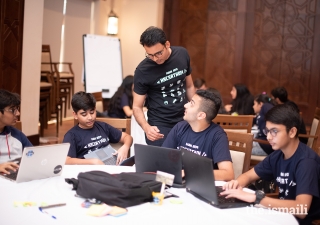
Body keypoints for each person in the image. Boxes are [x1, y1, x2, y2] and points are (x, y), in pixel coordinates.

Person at [221, 104, 320, 225]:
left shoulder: (306, 162)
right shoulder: (278, 155)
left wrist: (257, 198)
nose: (268, 137)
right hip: (282, 214)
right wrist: (236, 184)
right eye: (267, 131)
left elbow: (301, 209)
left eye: (274, 131)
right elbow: (248, 176)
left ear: (292, 132)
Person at [133, 26, 195, 146]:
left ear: (167, 44)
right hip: (159, 125)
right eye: (150, 55)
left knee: (188, 160)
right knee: (164, 163)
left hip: (184, 119)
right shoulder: (143, 70)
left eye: (159, 53)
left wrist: (195, 112)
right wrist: (146, 128)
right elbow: (136, 106)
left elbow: (189, 86)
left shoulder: (182, 54)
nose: (155, 59)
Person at [162, 90, 234, 181]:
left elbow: (228, 174)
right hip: (177, 181)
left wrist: (190, 172)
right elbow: (163, 158)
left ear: (201, 115)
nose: (185, 105)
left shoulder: (217, 135)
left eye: (191, 103)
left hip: (200, 184)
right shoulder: (180, 127)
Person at [63, 91, 133, 165]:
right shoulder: (71, 135)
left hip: (111, 165)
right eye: (84, 114)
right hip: (88, 170)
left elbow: (127, 137)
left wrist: (125, 147)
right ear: (75, 115)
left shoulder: (103, 127)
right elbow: (66, 160)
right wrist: (92, 162)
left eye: (92, 112)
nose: (90, 117)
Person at [0, 89, 32, 174]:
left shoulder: (16, 134)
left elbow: (33, 155)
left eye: (17, 109)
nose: (18, 113)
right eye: (12, 110)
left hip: (17, 174)